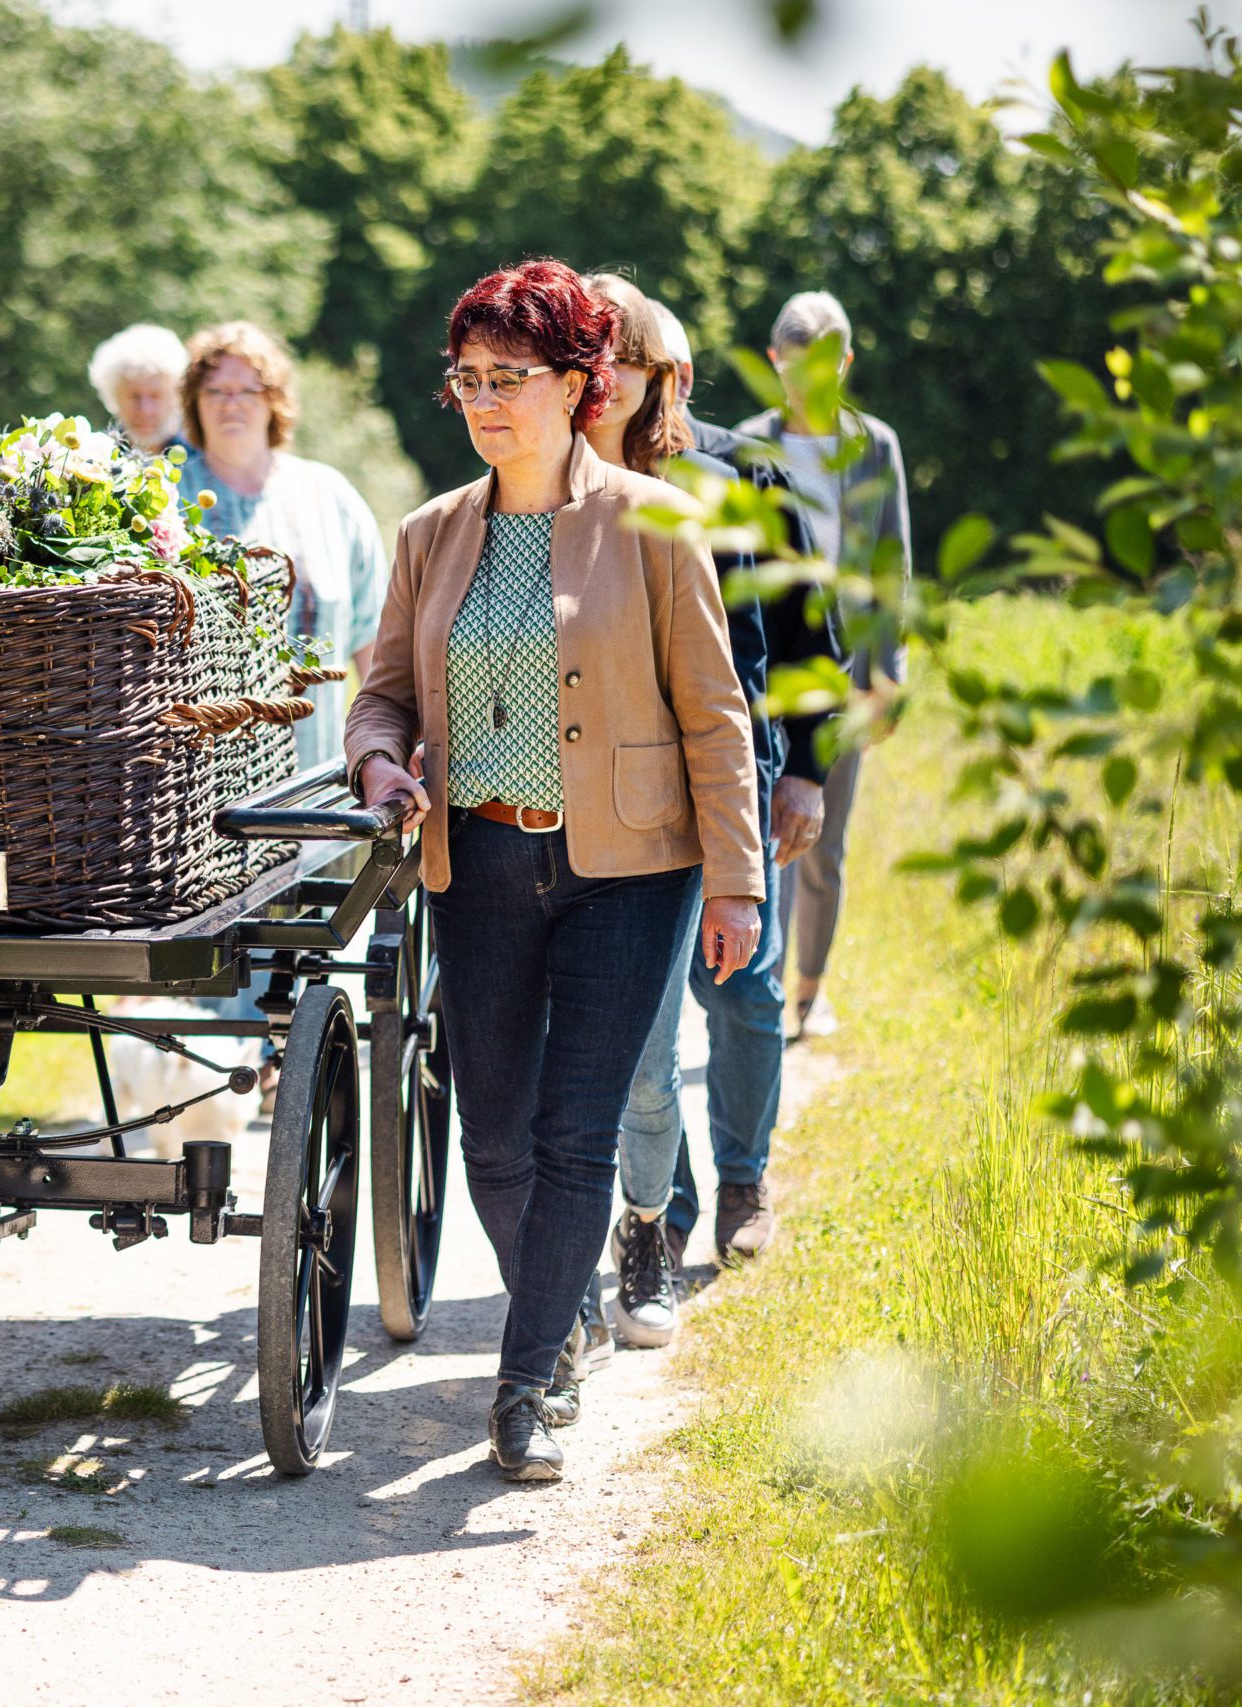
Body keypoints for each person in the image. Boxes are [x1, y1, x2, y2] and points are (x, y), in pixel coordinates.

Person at [345, 259, 762, 1481]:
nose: (482, 399)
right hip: (474, 857)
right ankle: (561, 1312)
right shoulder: (430, 533)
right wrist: (379, 765)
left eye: (507, 378)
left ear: (579, 384)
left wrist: (735, 880)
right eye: (465, 379)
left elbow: (715, 715)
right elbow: (378, 700)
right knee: (492, 1140)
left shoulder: (653, 521)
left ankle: (524, 1385)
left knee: (575, 1134)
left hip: (629, 871)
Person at [584, 280, 841, 1344]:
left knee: (740, 989)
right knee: (645, 1022)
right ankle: (667, 1206)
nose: (604, 387)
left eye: (624, 367)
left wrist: (807, 771)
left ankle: (743, 1183)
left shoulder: (744, 477)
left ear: (666, 375)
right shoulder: (558, 481)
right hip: (624, 783)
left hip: (742, 763)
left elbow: (809, 637)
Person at [731, 290, 911, 1046]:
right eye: (796, 366)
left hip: (844, 674)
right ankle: (760, 985)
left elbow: (890, 564)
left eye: (826, 367)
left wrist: (889, 674)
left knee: (825, 844)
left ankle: (810, 990)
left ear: (846, 362)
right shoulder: (744, 445)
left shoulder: (874, 446)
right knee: (763, 830)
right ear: (776, 362)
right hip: (766, 670)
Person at [174, 321, 388, 768]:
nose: (230, 404)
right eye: (214, 391)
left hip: (320, 780)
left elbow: (377, 642)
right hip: (202, 787)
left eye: (247, 391)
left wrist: (386, 753)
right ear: (194, 402)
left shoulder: (329, 495)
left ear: (274, 400)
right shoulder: (168, 499)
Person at [87, 323, 190, 452]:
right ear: (113, 398)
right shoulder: (92, 455)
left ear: (177, 396)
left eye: (155, 396)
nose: (144, 410)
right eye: (134, 396)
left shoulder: (205, 459)